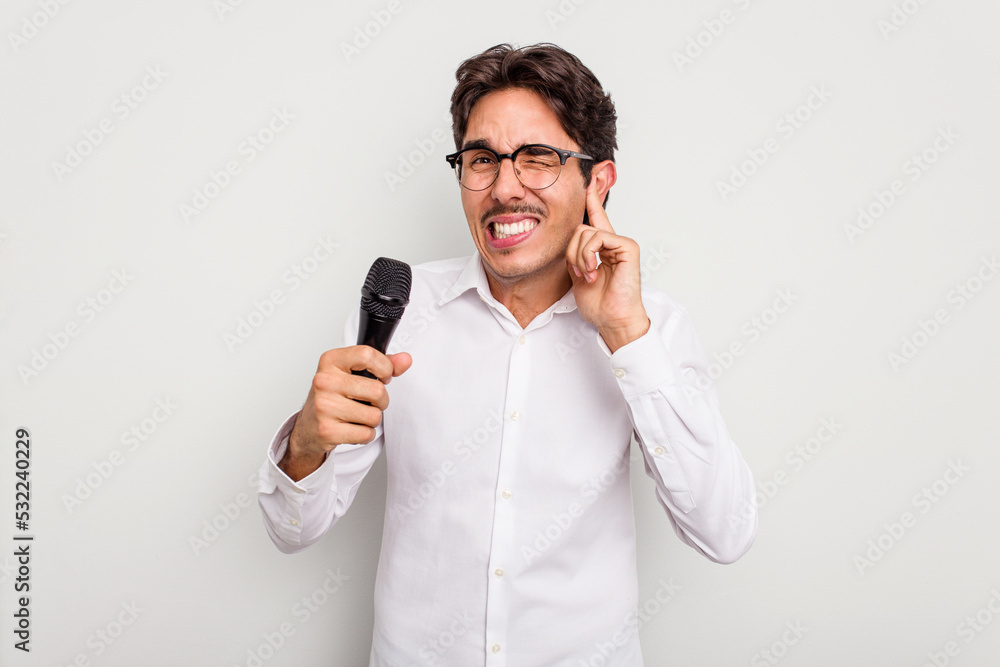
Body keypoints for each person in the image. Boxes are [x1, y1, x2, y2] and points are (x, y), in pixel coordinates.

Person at [258, 42, 757, 666]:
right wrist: (307, 444)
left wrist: (627, 335)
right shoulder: (402, 309)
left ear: (596, 181)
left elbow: (725, 531)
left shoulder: (652, 326)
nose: (503, 188)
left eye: (538, 158)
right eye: (482, 160)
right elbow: (291, 530)